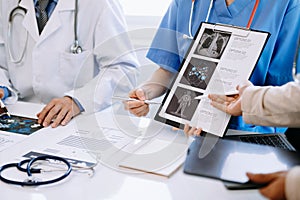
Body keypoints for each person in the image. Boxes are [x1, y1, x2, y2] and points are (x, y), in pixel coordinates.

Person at [125, 0, 300, 134]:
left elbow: (285, 90)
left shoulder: (287, 5)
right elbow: (168, 68)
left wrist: (212, 117)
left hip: (247, 134)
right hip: (180, 129)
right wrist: (145, 92)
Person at [0, 0, 138, 128]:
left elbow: (124, 70)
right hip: (19, 112)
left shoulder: (99, 4)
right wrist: (3, 88)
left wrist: (78, 100)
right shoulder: (7, 3)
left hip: (80, 120)